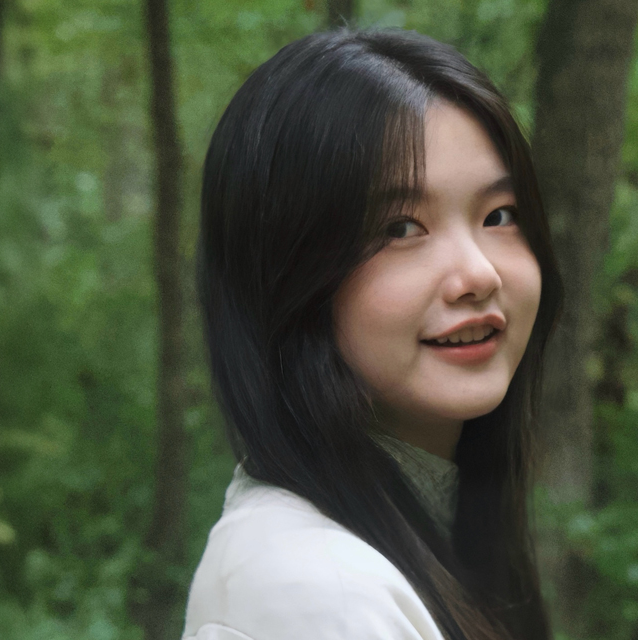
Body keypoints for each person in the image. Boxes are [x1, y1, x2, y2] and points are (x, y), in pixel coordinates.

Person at [185, 27, 564, 640]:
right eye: (399, 228)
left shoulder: (421, 537)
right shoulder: (313, 588)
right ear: (285, 275)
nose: (478, 273)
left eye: (499, 215)